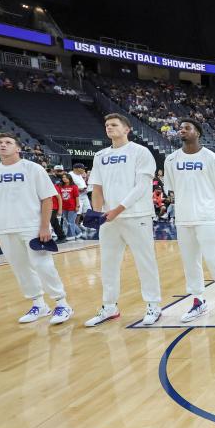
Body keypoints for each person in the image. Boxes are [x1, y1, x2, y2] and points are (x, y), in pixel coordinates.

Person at [0, 133, 73, 324]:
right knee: (20, 268)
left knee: (43, 265)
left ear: (18, 148)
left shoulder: (33, 168)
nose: (3, 145)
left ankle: (62, 303)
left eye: (8, 142)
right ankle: (39, 305)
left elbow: (47, 198)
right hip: (5, 227)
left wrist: (44, 226)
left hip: (31, 225)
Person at [85, 113, 163, 327]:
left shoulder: (140, 152)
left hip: (137, 215)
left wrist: (118, 209)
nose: (109, 127)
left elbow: (142, 186)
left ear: (127, 129)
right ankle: (109, 306)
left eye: (114, 124)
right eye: (107, 124)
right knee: (108, 264)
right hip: (108, 219)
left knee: (145, 261)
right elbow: (97, 187)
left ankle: (153, 305)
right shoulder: (100, 155)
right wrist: (96, 213)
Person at [164, 119, 215, 323]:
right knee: (190, 262)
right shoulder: (171, 159)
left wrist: (212, 210)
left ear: (197, 132)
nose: (182, 130)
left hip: (207, 219)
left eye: (187, 127)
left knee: (214, 259)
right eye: (180, 128)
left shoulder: (212, 158)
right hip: (183, 220)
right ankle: (198, 301)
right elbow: (171, 189)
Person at [55, 172, 81, 240]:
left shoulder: (74, 186)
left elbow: (77, 197)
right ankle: (79, 232)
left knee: (70, 222)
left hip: (72, 206)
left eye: (65, 177)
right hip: (64, 206)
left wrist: (77, 206)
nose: (64, 179)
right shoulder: (61, 186)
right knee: (68, 222)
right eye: (63, 177)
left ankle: (71, 236)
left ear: (69, 178)